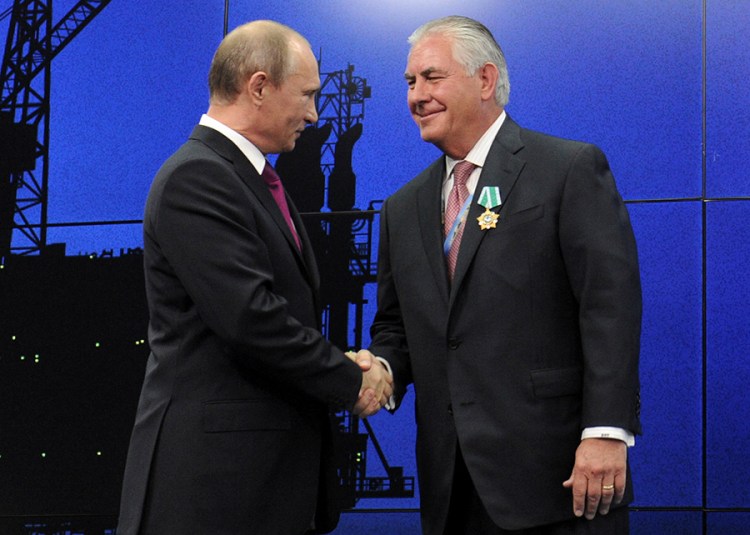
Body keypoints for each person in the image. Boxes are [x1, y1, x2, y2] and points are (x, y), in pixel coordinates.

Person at [362, 15, 641, 535]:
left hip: (558, 481)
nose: (416, 96)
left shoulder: (566, 169)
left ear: (485, 80)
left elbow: (609, 308)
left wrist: (605, 432)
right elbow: (398, 327)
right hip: (451, 488)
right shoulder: (403, 208)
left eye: (431, 77)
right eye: (409, 82)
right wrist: (381, 368)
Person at [117, 20, 391, 535]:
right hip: (216, 490)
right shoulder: (197, 178)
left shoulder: (251, 178)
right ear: (259, 86)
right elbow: (251, 320)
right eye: (307, 95)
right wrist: (350, 380)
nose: (313, 113)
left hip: (255, 485)